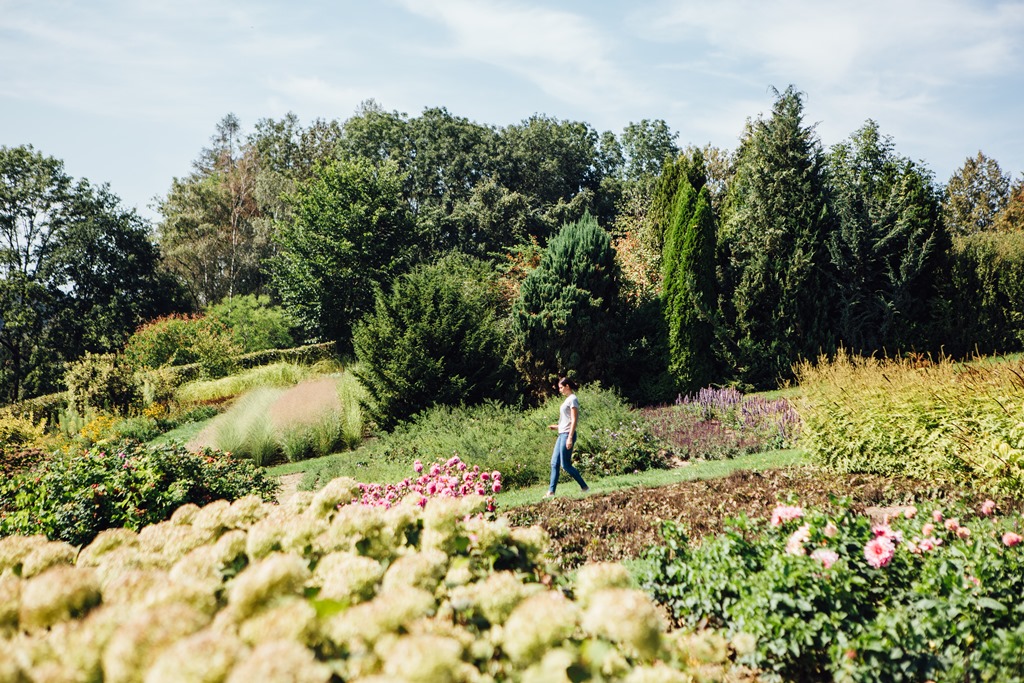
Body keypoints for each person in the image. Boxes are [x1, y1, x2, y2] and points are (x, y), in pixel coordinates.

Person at [545, 377, 589, 497]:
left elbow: (574, 420)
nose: (560, 390)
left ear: (567, 386)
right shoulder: (567, 400)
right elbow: (566, 420)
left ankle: (585, 487)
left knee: (566, 465)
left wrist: (570, 437)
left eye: (561, 387)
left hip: (567, 435)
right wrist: (557, 427)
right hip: (561, 434)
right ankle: (551, 492)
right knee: (554, 463)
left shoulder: (573, 399)